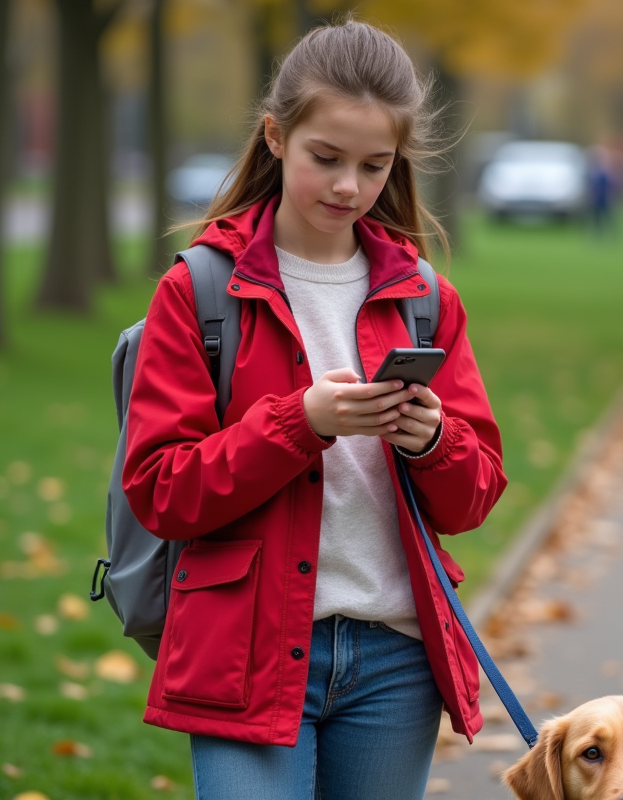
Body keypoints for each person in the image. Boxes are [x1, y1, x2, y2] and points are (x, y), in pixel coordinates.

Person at [121, 19, 507, 800]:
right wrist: (301, 423)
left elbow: (473, 498)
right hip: (248, 652)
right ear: (275, 136)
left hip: (395, 661)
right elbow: (163, 490)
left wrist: (433, 440)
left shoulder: (426, 299)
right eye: (325, 158)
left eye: (374, 165)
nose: (349, 187)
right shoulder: (199, 290)